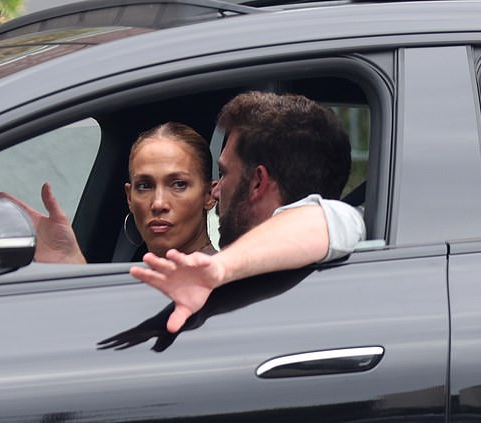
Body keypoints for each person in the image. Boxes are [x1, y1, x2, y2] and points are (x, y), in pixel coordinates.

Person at [129, 91, 366, 333]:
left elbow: (328, 219)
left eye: (223, 174)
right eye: (144, 185)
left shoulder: (342, 222)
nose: (217, 191)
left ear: (257, 183)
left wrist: (220, 269)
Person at [0, 122, 217, 262]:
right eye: (145, 186)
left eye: (178, 184)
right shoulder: (144, 275)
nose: (158, 203)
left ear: (209, 195)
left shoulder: (221, 283)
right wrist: (71, 261)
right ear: (129, 198)